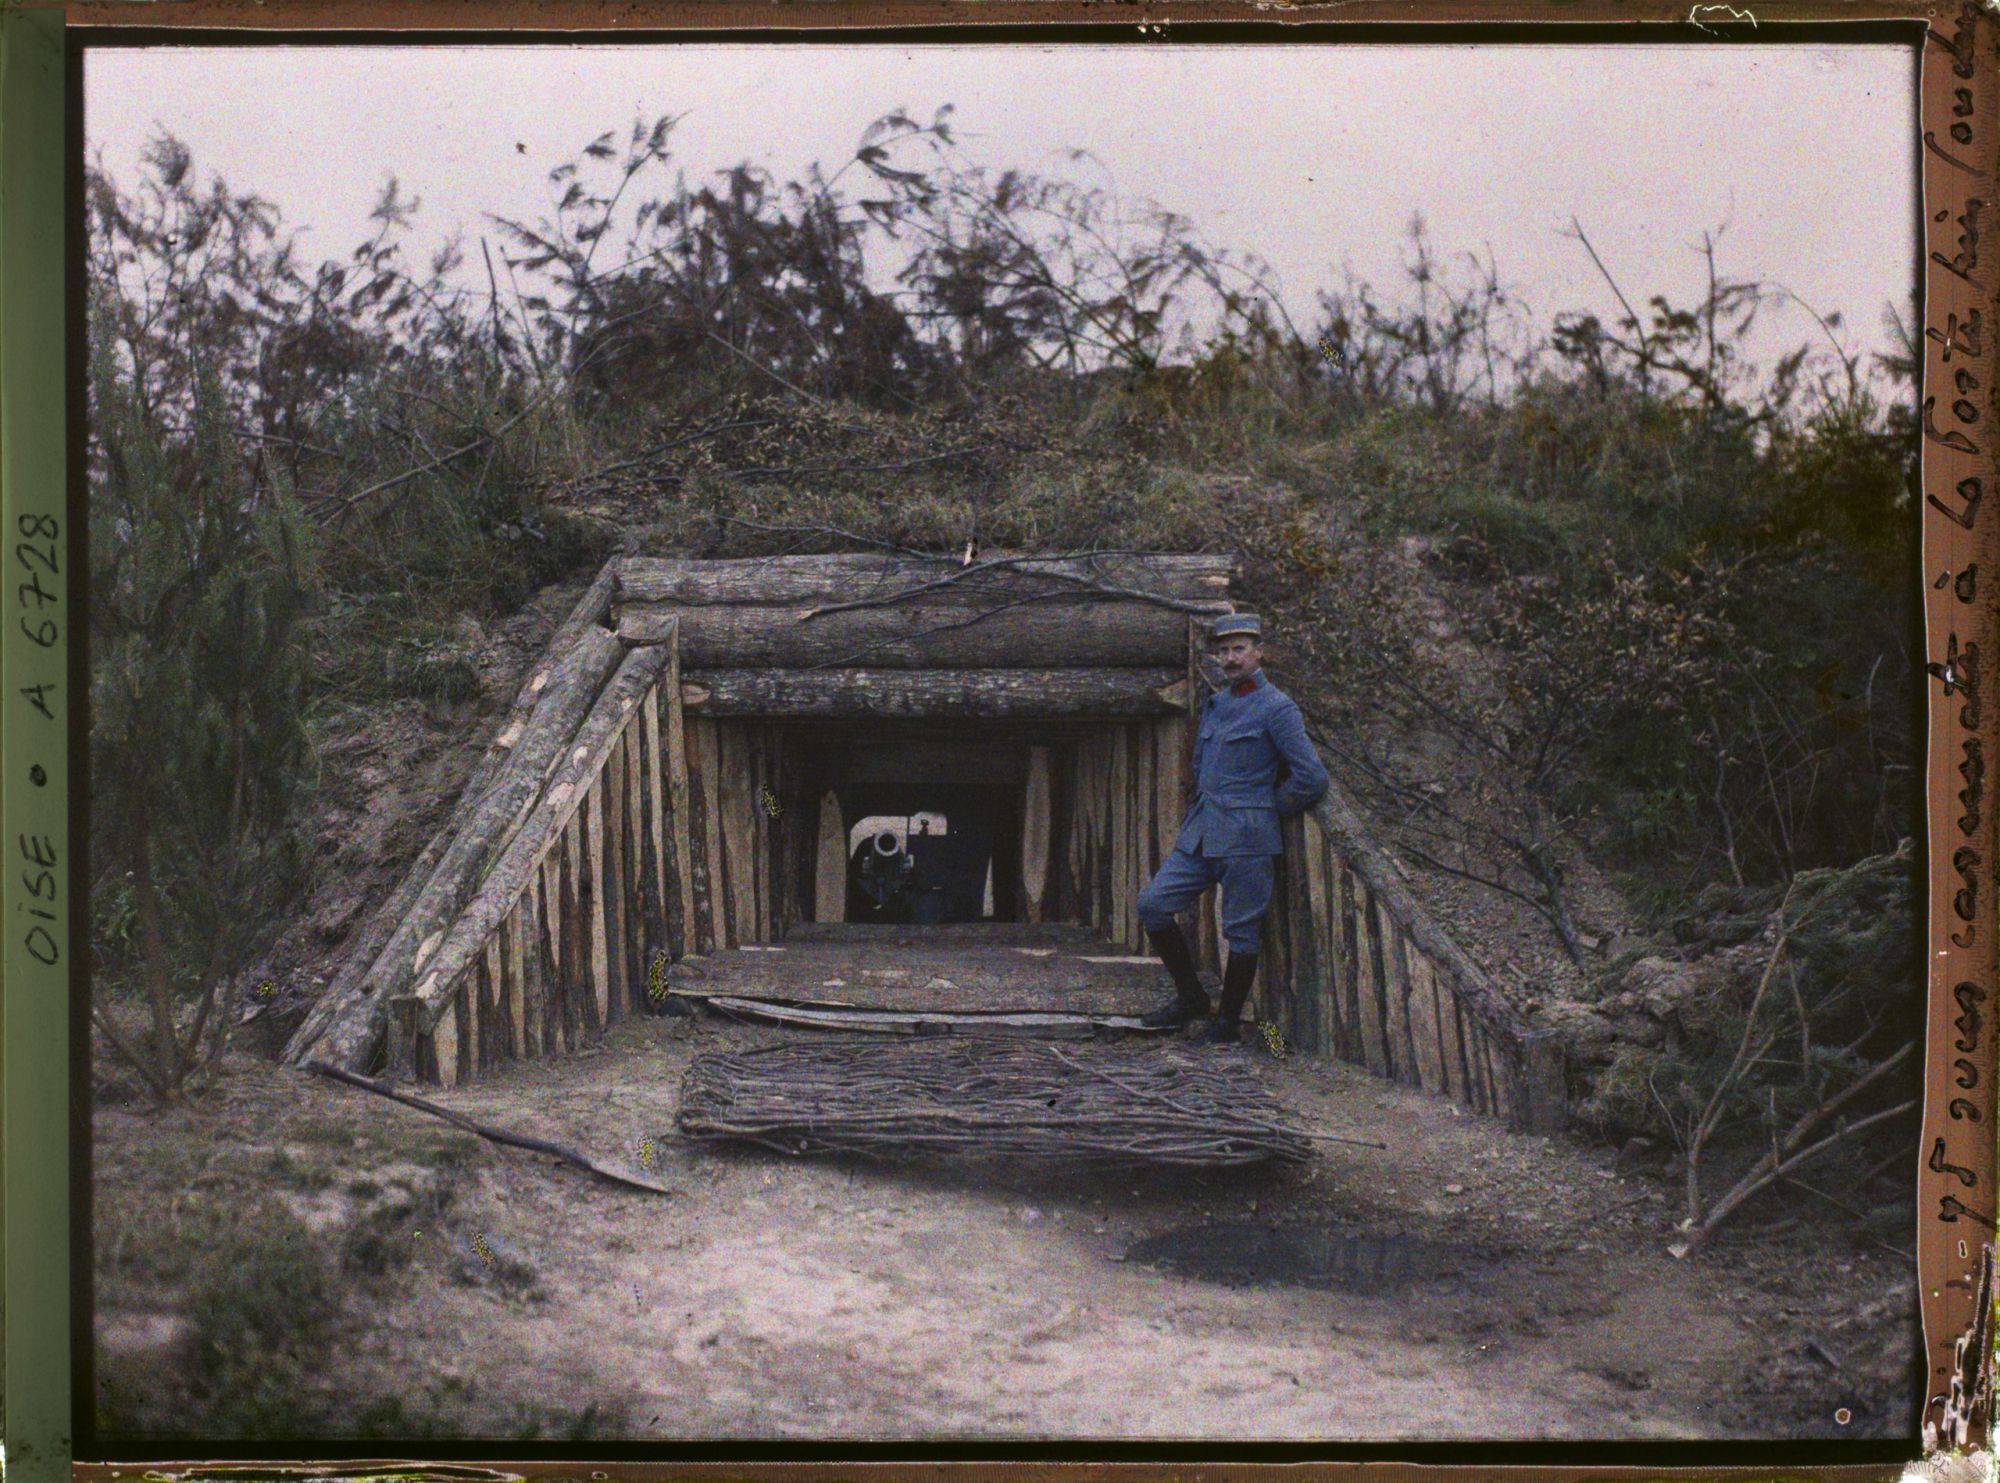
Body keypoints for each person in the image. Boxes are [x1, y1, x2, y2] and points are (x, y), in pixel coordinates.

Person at [1136, 613, 1330, 1045]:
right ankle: (1191, 998)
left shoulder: (1278, 708)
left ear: (1259, 652)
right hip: (1201, 834)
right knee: (1152, 904)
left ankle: (1226, 1023)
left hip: (1247, 840)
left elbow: (1312, 777)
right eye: (1223, 651)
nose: (1230, 658)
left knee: (1241, 930)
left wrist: (1265, 810)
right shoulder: (1217, 704)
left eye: (1239, 649)